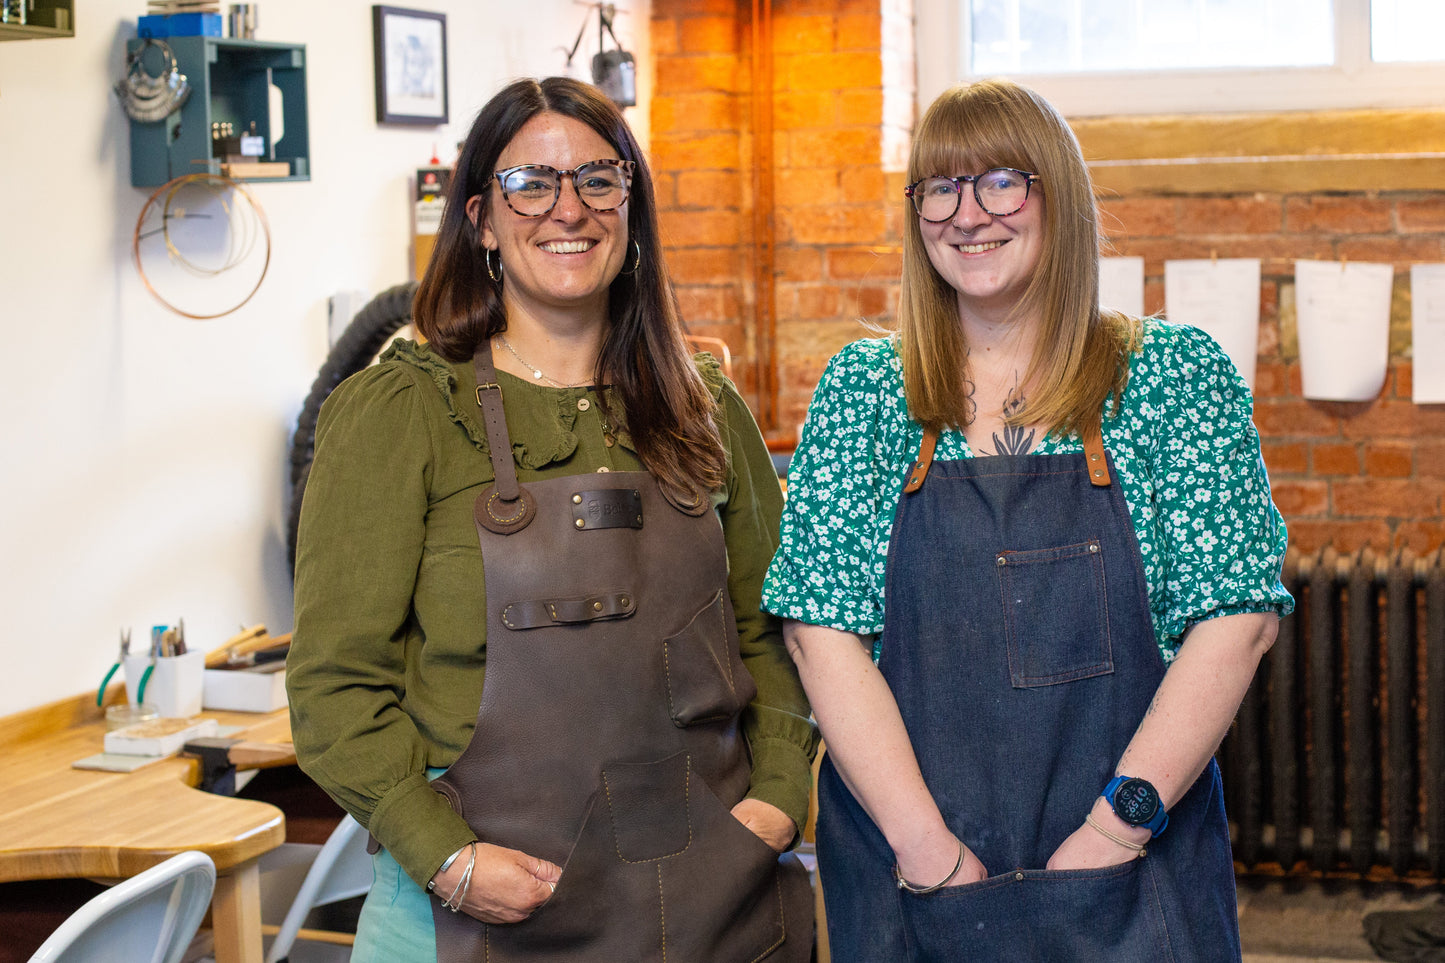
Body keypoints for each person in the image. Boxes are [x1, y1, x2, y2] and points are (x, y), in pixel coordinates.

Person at [289, 76, 816, 963]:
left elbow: (774, 633)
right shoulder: (401, 412)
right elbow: (334, 684)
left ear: (631, 208)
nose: (566, 209)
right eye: (529, 183)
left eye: (597, 180)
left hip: (706, 905)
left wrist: (772, 801)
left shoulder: (706, 408)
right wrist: (446, 856)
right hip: (469, 913)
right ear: (481, 220)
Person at [763, 79, 1292, 962]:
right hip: (914, 869)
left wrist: (1116, 830)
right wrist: (926, 848)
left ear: (1058, 196)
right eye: (939, 187)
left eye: (1001, 181)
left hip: (1129, 858)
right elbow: (821, 634)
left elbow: (1236, 621)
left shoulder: (1169, 378)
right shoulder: (864, 391)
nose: (967, 214)